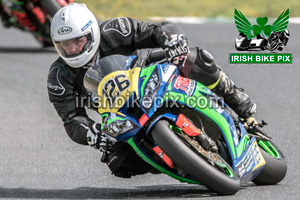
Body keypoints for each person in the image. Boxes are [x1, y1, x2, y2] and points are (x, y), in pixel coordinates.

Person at [47, 3, 256, 178]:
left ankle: (237, 100)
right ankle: (180, 160)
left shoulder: (114, 30)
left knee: (193, 59)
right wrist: (92, 134)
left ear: (91, 34)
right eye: (65, 44)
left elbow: (156, 30)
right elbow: (71, 118)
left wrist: (172, 40)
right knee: (117, 162)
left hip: (148, 73)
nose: (73, 49)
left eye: (78, 41)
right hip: (120, 114)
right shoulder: (58, 75)